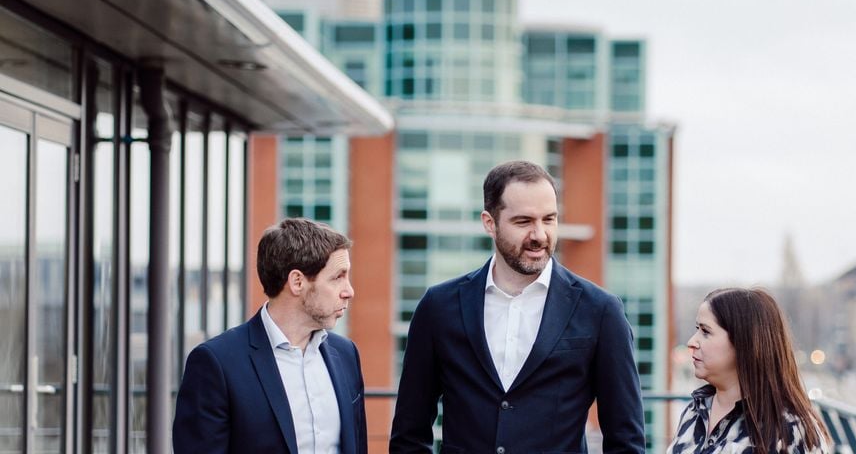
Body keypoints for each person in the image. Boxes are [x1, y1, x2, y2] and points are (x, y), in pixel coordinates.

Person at [389, 160, 645, 453]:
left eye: (549, 219)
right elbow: (409, 434)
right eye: (524, 222)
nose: (539, 235)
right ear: (490, 223)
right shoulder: (438, 307)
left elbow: (626, 440)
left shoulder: (601, 311)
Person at [173, 218, 367, 454]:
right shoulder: (216, 364)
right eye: (338, 277)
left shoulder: (346, 355)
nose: (349, 291)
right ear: (297, 282)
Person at [669, 288, 831, 454]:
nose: (691, 342)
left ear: (744, 341)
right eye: (697, 329)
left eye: (705, 331)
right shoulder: (695, 411)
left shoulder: (791, 429)